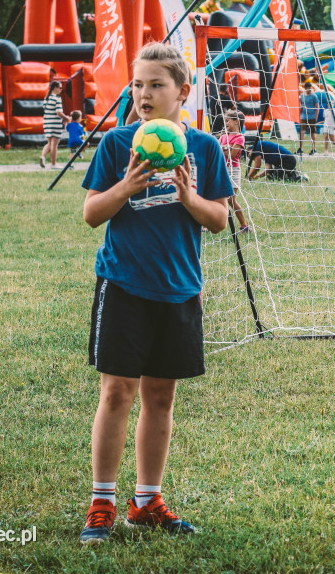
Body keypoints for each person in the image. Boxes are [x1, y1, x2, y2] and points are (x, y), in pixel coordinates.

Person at [78, 42, 232, 545]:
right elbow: (92, 213)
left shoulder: (204, 149)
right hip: (124, 285)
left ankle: (146, 501)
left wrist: (189, 197)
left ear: (183, 92)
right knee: (117, 391)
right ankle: (102, 501)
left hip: (180, 290)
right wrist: (125, 186)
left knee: (160, 397)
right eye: (138, 84)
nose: (143, 94)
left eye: (156, 85)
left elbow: (219, 221)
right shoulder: (118, 142)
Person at [219, 109, 250, 233]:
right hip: (222, 168)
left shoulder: (239, 138)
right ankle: (208, 224)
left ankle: (244, 225)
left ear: (236, 121)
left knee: (231, 200)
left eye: (228, 121)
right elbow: (219, 151)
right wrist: (224, 148)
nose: (225, 123)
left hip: (233, 171)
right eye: (224, 121)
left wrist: (224, 148)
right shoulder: (222, 137)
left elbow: (232, 155)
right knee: (215, 196)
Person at [41, 80, 68, 168]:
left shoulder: (46, 98)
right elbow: (58, 112)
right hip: (55, 123)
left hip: (47, 122)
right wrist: (66, 118)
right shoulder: (57, 98)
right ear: (55, 88)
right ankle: (53, 163)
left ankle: (42, 156)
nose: (61, 90)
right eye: (60, 88)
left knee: (49, 143)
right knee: (54, 145)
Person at [298, 82, 320, 155]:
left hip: (312, 117)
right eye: (308, 88)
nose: (309, 90)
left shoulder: (314, 96)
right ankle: (301, 148)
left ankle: (314, 149)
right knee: (302, 132)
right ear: (305, 88)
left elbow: (317, 107)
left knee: (312, 133)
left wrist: (316, 117)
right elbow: (301, 105)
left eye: (310, 88)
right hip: (304, 117)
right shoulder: (302, 95)